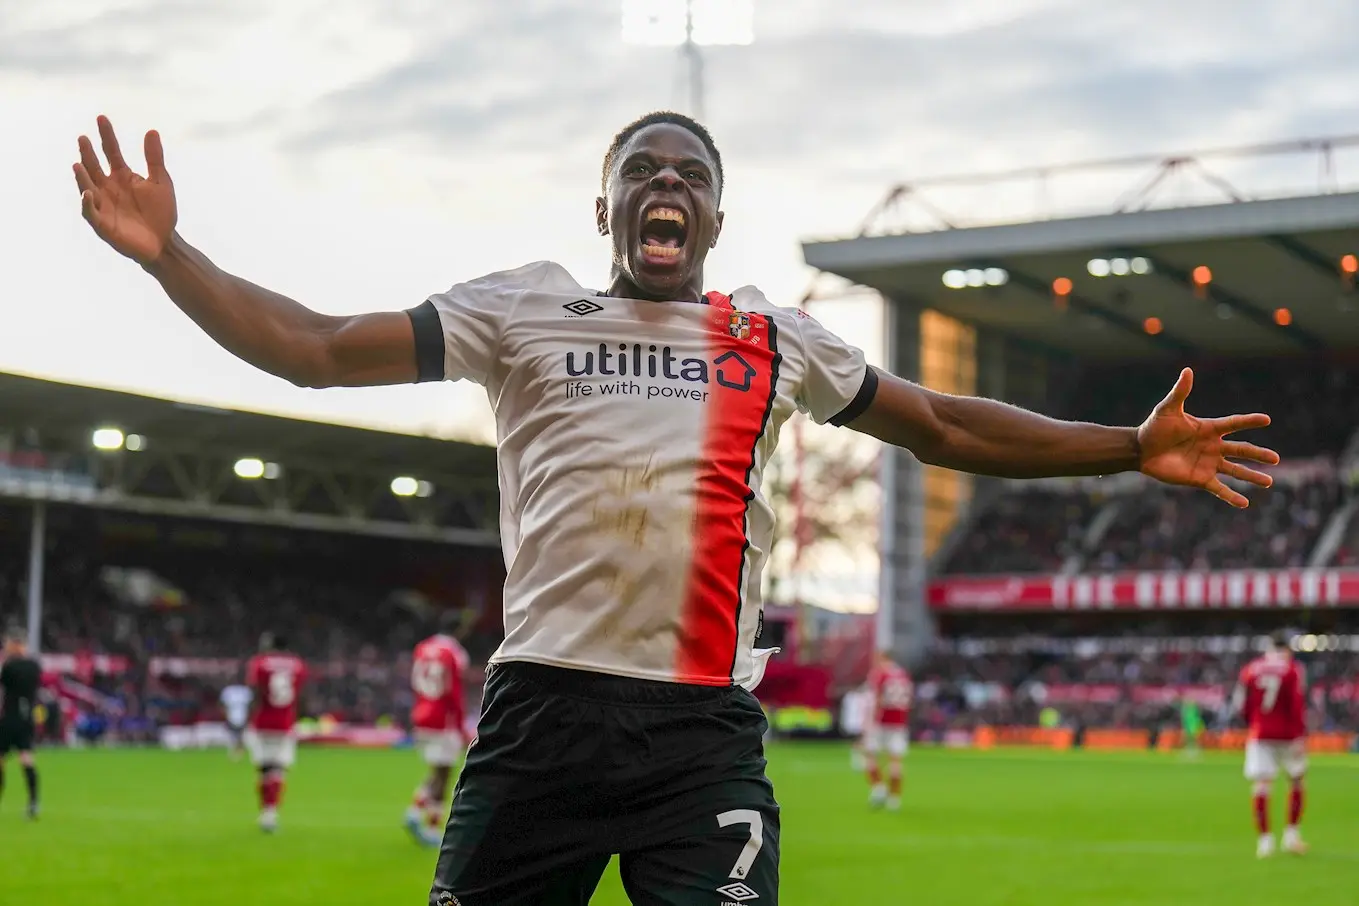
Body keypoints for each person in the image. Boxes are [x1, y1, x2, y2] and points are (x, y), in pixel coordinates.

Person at [73, 111, 1279, 905]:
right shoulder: (522, 312)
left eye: (690, 176)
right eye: (641, 172)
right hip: (542, 718)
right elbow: (315, 349)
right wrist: (170, 255)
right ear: (605, 212)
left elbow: (946, 427)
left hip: (700, 733)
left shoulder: (772, 338)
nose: (666, 184)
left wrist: (1128, 448)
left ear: (713, 217)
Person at [1232, 630, 1308, 858]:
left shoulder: (1250, 669)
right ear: (1287, 649)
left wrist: (1253, 722)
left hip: (1260, 733)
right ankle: (1291, 836)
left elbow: (1240, 703)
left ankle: (1265, 841)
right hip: (1288, 734)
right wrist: (1300, 734)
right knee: (1296, 780)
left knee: (1262, 785)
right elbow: (1297, 703)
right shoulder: (1293, 669)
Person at [406, 613, 471, 846]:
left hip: (421, 714)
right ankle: (430, 826)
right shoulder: (455, 652)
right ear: (459, 629)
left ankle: (415, 810)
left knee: (437, 770)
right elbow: (454, 691)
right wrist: (461, 725)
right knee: (444, 774)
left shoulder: (422, 647)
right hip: (443, 719)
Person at [243, 632, 307, 833]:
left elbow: (255, 692)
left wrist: (247, 719)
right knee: (278, 770)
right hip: (285, 722)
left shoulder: (260, 662)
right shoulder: (298, 664)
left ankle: (266, 813)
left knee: (264, 769)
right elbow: (301, 695)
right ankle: (271, 813)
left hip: (262, 721)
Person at [0, 627, 42, 819]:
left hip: (9, 717)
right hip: (27, 717)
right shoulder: (34, 666)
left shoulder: (9, 666)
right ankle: (33, 803)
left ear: (14, 644)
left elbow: (4, 686)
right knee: (26, 758)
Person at [861, 650, 912, 810]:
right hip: (899, 722)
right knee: (895, 761)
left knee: (869, 756)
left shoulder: (880, 674)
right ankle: (894, 799)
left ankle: (878, 789)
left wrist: (871, 721)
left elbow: (877, 698)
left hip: (882, 721)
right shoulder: (904, 675)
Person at [220, 674, 254, 761]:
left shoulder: (244, 691)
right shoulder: (229, 691)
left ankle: (239, 752)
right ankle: (236, 751)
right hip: (232, 717)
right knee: (234, 736)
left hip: (242, 716)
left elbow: (251, 705)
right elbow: (223, 706)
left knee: (241, 736)